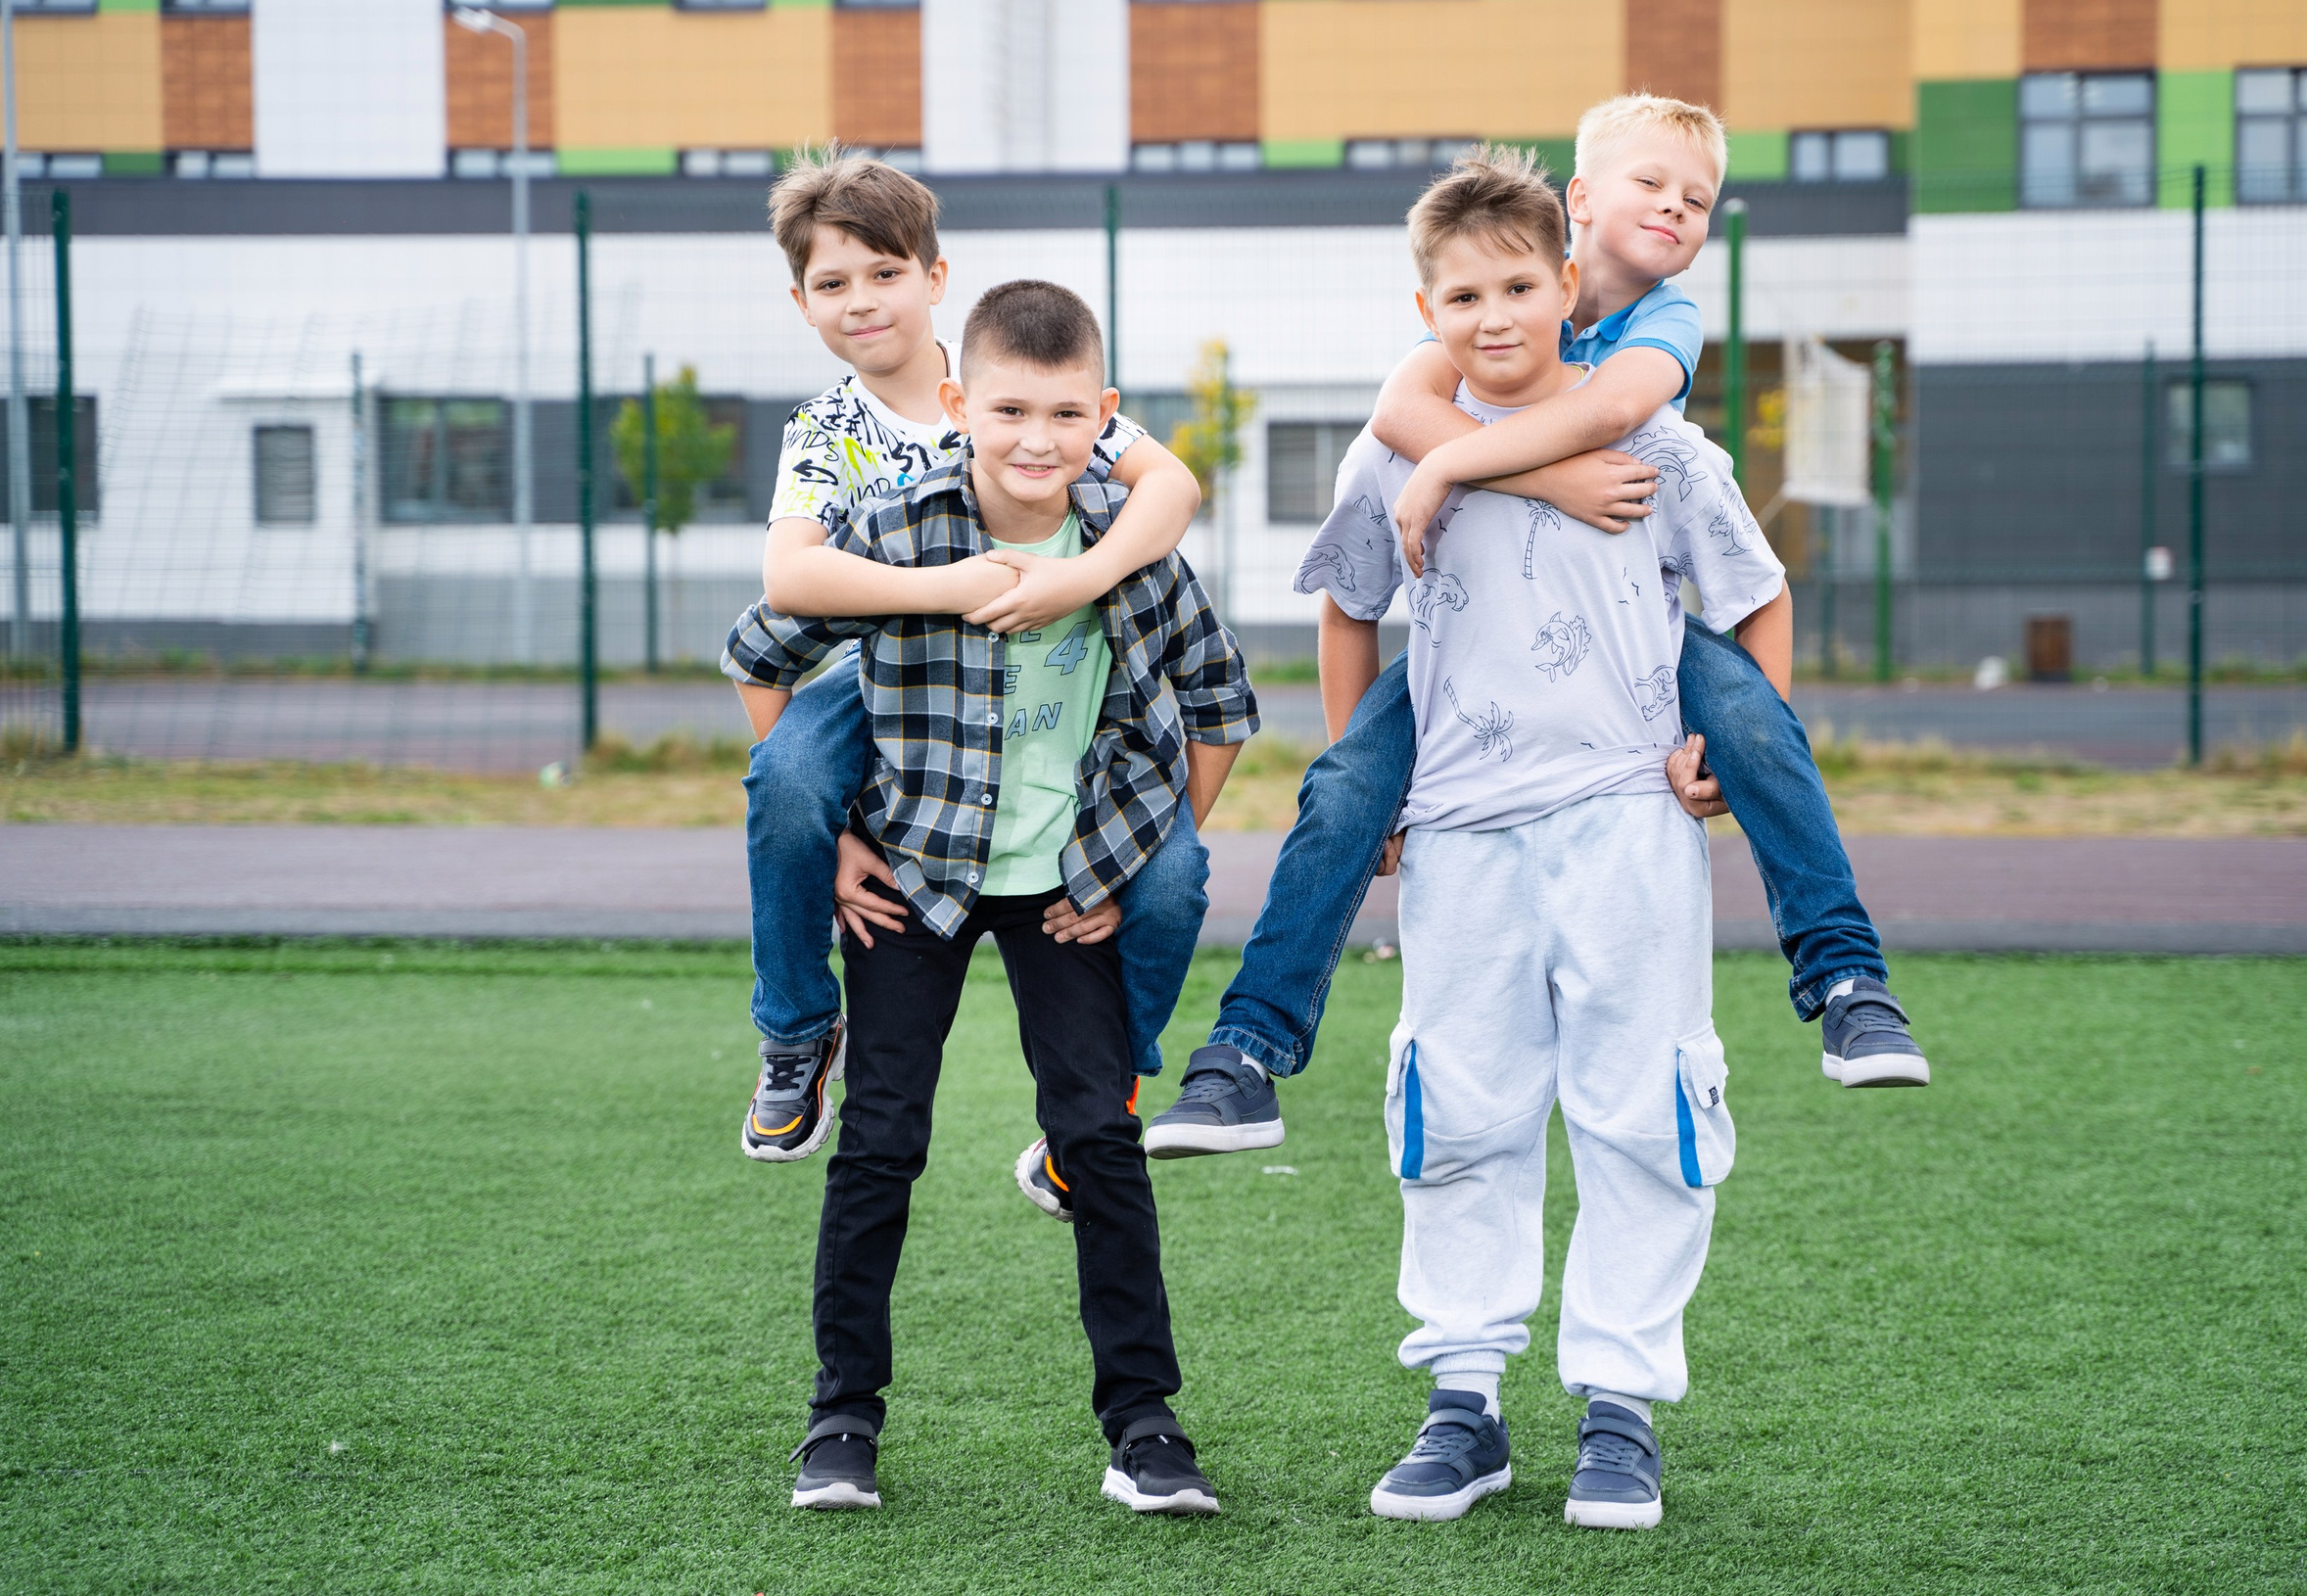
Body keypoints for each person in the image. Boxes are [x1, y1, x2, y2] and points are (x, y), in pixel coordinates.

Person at [1139, 93, 1925, 1168]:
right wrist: (1530, 477)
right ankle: (1246, 1052)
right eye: (1650, 184)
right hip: (1468, 659)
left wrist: (1731, 756)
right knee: (1342, 790)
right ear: (1582, 201)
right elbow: (1397, 417)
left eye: (1696, 198)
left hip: (1630, 641)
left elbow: (1610, 419)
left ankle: (1846, 979)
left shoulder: (1664, 326)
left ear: (1558, 283)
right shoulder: (1480, 296)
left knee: (1753, 718)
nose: (1673, 208)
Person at [1306, 147, 1778, 1528]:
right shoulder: (1392, 446)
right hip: (1459, 827)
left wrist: (1735, 756)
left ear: (1569, 286)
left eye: (1519, 286)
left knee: (1642, 1106)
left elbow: (1754, 593)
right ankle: (1464, 1404)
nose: (1495, 314)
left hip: (1629, 817)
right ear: (1426, 310)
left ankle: (1620, 1408)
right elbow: (1346, 604)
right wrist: (1367, 785)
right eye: (1463, 296)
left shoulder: (1660, 442)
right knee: (1457, 1105)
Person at [772, 279, 1256, 1516]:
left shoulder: (1127, 549)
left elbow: (1220, 702)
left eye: (1063, 414)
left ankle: (1145, 1427)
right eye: (1008, 411)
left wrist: (1141, 853)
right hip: (915, 877)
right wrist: (829, 836)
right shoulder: (893, 529)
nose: (1036, 440)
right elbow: (761, 651)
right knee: (883, 1138)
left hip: (1063, 889)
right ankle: (840, 1420)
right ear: (957, 405)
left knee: (1099, 1137)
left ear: (1104, 415)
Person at [720, 149, 1217, 1169]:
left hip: (1051, 673)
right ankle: (797, 1029)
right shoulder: (824, 431)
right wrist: (947, 589)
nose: (863, 300)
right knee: (786, 778)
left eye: (884, 272)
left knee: (1171, 878)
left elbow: (1171, 487)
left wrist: (1077, 580)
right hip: (893, 678)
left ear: (934, 277)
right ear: (802, 304)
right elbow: (790, 583)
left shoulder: (1018, 383)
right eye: (832, 283)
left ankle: (1112, 1079)